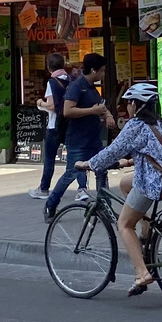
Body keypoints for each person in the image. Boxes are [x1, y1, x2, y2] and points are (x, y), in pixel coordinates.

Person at [86, 81, 162, 295]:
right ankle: (146, 230)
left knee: (124, 225)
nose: (127, 107)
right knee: (125, 183)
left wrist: (89, 164)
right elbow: (160, 153)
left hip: (150, 182)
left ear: (137, 105)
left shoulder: (135, 125)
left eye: (129, 103)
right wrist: (129, 163)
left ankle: (142, 273)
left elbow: (113, 151)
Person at [47, 53, 113, 210]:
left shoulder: (92, 88)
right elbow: (67, 111)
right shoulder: (76, 86)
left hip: (93, 139)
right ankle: (51, 204)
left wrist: (108, 115)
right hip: (77, 141)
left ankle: (105, 208)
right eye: (102, 71)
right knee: (71, 174)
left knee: (101, 171)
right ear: (93, 70)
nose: (104, 74)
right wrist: (92, 111)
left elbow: (100, 106)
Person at [30, 51, 69, 211]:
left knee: (49, 158)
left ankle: (44, 188)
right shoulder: (71, 79)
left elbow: (52, 106)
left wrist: (40, 103)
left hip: (54, 126)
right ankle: (82, 189)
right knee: (76, 157)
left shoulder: (52, 82)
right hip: (68, 124)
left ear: (48, 67)